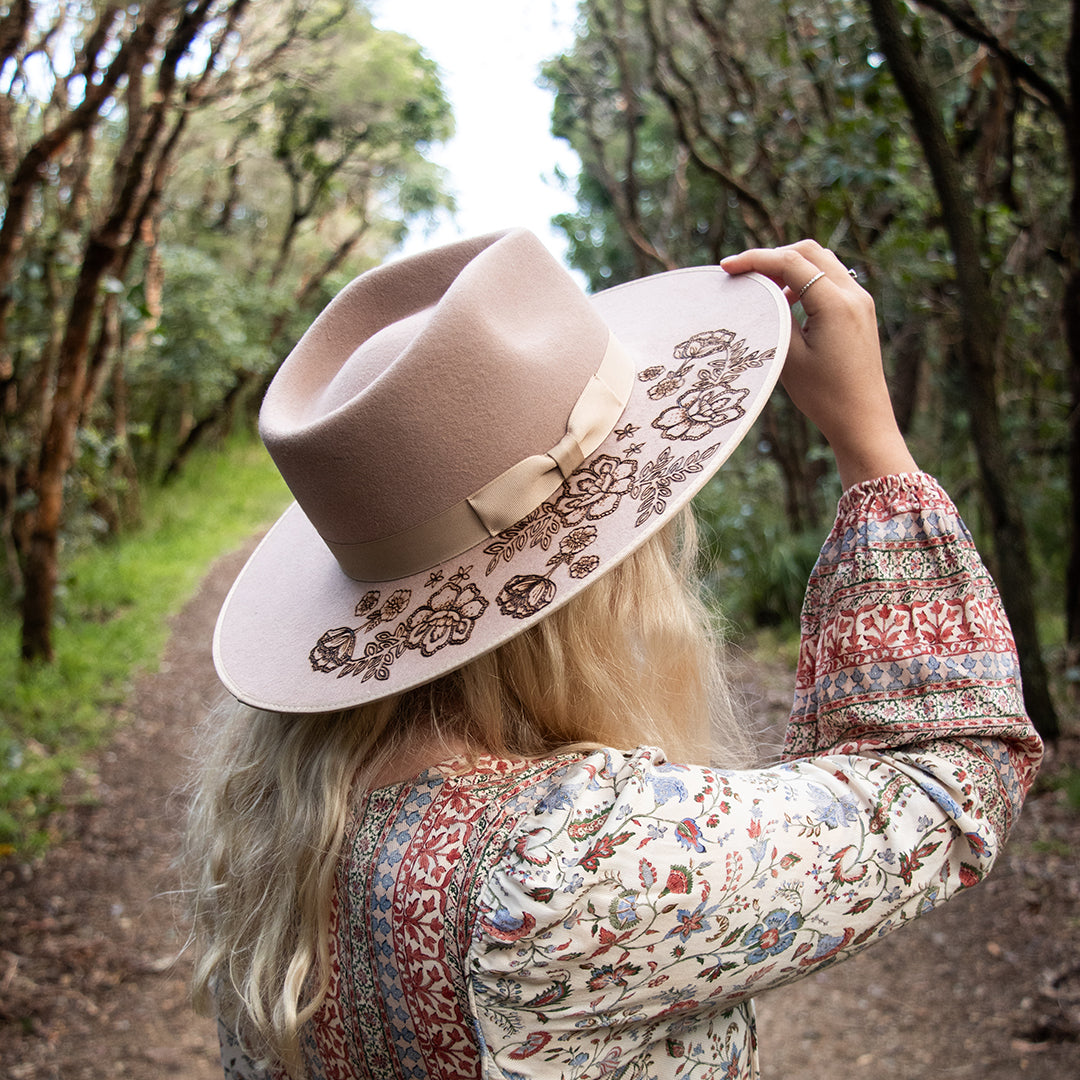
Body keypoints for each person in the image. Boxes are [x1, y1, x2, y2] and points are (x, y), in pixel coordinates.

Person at [184, 230, 1042, 1080]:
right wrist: (872, 446)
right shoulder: (573, 857)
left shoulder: (274, 826)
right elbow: (949, 783)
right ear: (606, 575)